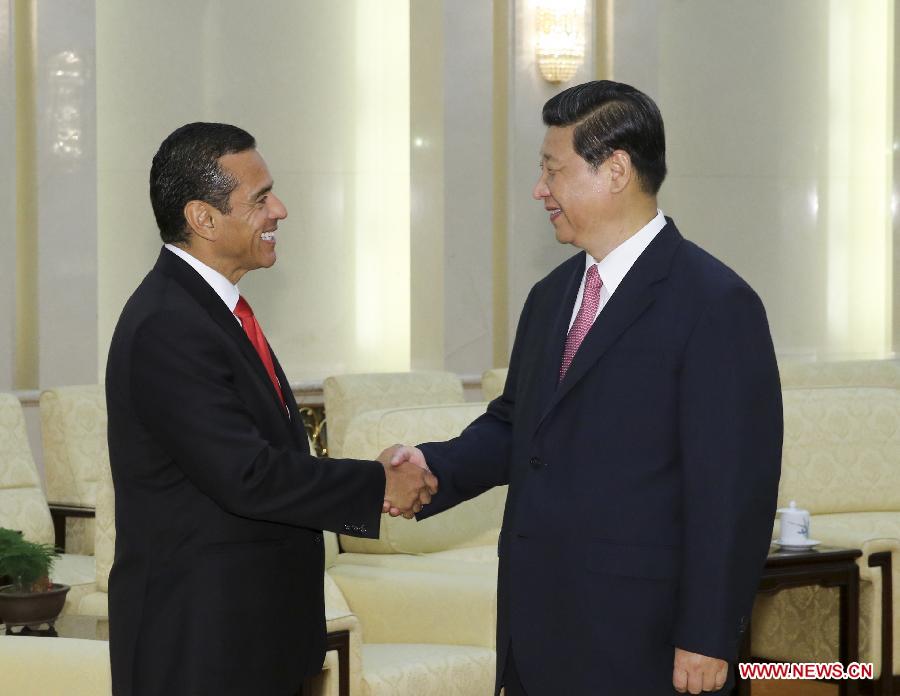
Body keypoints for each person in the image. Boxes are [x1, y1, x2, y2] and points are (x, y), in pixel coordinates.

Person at [389, 81, 783, 695]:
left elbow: (732, 488)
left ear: (617, 170)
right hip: (536, 628)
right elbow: (517, 425)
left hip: (641, 640)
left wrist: (708, 634)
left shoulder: (713, 302)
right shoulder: (551, 297)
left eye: (553, 170)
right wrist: (432, 467)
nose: (539, 190)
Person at [105, 122, 436, 696]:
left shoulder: (212, 312)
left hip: (253, 636)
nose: (279, 209)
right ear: (203, 218)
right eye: (259, 199)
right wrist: (376, 483)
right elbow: (247, 475)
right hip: (201, 646)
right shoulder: (169, 324)